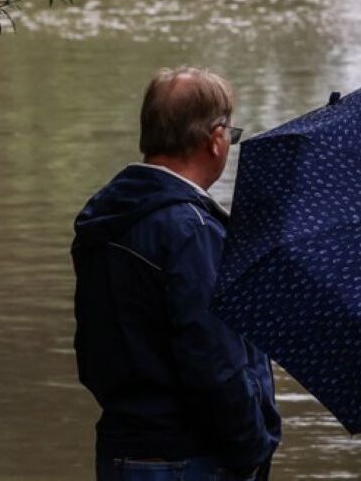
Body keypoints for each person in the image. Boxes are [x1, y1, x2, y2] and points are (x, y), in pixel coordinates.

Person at [72, 66, 281, 481]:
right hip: (189, 458)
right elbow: (214, 360)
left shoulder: (106, 217)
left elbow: (93, 348)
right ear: (215, 139)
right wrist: (253, 449)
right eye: (230, 133)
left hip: (123, 448)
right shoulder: (190, 230)